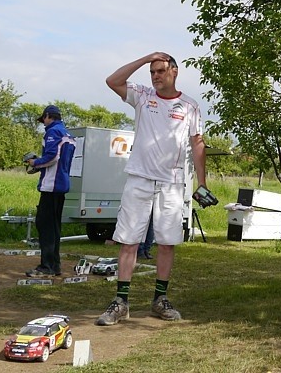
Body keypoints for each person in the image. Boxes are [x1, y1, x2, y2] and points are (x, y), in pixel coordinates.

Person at [96, 52, 208, 325]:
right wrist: (145, 59)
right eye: (152, 72)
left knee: (167, 243)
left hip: (171, 183)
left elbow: (197, 144)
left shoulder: (190, 106)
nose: (155, 76)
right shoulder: (143, 96)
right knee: (129, 241)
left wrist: (202, 183)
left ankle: (160, 299)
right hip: (139, 178)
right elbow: (112, 81)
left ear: (174, 71)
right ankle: (121, 302)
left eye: (160, 71)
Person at [25, 105, 76, 277]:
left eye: (44, 119)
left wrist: (35, 163)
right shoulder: (68, 134)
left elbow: (53, 157)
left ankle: (46, 266)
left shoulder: (53, 132)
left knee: (44, 225)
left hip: (51, 185)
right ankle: (55, 265)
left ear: (48, 116)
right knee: (54, 227)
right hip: (61, 184)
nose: (43, 123)